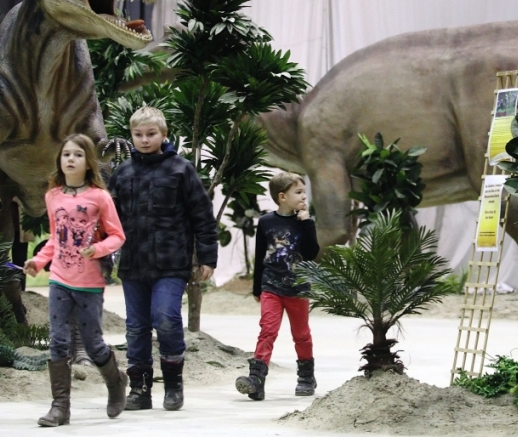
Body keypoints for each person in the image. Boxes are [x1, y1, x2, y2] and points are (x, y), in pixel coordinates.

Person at [107, 106, 218, 411]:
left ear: (164, 135)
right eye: (138, 135)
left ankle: (173, 384)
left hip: (171, 263)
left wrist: (207, 257)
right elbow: (106, 218)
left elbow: (202, 217)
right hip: (132, 263)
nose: (144, 140)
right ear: (131, 136)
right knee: (136, 327)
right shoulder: (122, 172)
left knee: (166, 319)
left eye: (151, 134)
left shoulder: (181, 169)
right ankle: (140, 390)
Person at [24, 134, 127, 427]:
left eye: (78, 155)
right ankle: (60, 407)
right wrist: (38, 261)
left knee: (93, 345)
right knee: (58, 341)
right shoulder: (53, 195)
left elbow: (118, 236)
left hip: (89, 282)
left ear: (88, 162)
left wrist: (98, 248)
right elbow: (56, 239)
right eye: (66, 154)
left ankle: (116, 383)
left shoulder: (99, 197)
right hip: (59, 279)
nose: (70, 159)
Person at [235, 172, 320, 401]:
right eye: (298, 192)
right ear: (282, 197)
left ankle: (306, 376)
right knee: (268, 330)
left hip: (298, 288)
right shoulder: (266, 222)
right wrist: (257, 288)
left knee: (301, 334)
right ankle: (257, 380)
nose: (304, 197)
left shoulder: (304, 222)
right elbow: (260, 255)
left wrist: (307, 223)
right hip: (271, 286)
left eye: (304, 192)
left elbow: (312, 253)